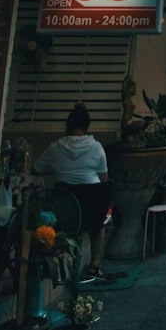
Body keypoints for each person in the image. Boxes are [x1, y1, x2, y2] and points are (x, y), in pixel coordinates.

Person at [33, 103, 110, 280]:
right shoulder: (96, 147)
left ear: (68, 125)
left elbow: (36, 168)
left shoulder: (54, 148)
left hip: (65, 209)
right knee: (100, 223)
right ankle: (95, 263)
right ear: (87, 126)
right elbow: (104, 177)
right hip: (93, 209)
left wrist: (56, 170)